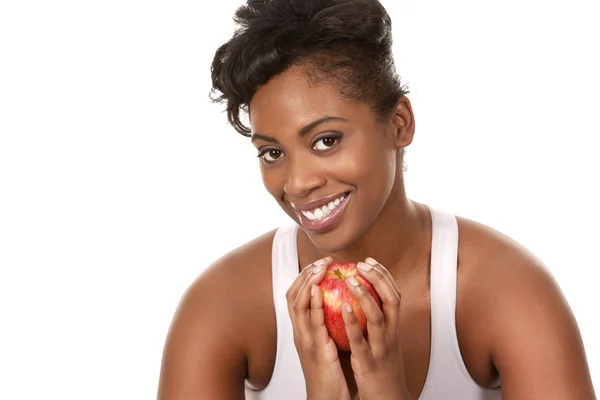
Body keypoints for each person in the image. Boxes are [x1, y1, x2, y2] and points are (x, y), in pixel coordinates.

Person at [157, 0, 596, 399]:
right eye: (272, 153)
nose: (297, 183)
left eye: (326, 140)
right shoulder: (221, 306)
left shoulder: (507, 292)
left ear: (399, 124)